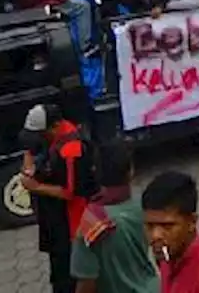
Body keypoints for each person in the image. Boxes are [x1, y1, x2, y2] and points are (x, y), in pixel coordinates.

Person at [21, 103, 97, 293]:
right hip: (54, 219)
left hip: (71, 224)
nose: (39, 139)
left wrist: (36, 187)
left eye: (41, 134)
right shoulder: (52, 138)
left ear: (54, 127)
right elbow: (32, 154)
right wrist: (29, 161)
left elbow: (70, 192)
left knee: (67, 276)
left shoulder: (73, 148)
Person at [71, 141, 160, 293]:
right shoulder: (145, 208)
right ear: (131, 172)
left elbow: (86, 283)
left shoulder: (91, 224)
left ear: (95, 172)